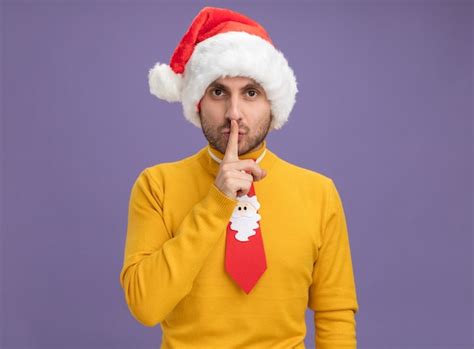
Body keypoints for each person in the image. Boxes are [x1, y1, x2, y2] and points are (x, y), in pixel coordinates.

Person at [119, 6, 359, 349]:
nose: (234, 113)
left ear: (273, 104)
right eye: (218, 92)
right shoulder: (156, 185)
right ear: (198, 102)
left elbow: (335, 315)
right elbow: (145, 306)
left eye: (250, 93)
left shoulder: (319, 193)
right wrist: (217, 202)